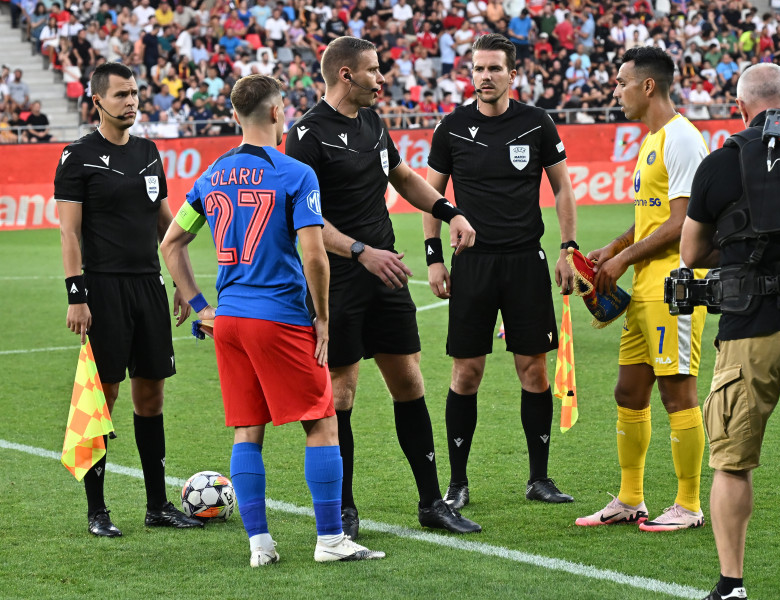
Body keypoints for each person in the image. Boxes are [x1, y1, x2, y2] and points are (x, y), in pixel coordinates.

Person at [160, 74, 385, 567]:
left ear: (236, 116)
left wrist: (200, 307)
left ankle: (260, 545)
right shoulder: (293, 174)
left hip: (229, 320)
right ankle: (331, 540)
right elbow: (315, 256)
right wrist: (322, 319)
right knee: (321, 422)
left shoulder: (212, 174)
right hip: (278, 316)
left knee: (247, 429)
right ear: (278, 113)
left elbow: (171, 244)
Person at [284, 36, 481, 540]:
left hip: (386, 272)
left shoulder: (373, 122)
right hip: (339, 276)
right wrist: (359, 251)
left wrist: (449, 210)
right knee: (343, 393)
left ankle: (431, 502)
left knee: (410, 382)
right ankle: (344, 508)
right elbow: (305, 220)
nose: (382, 78)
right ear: (346, 75)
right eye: (374, 70)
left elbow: (403, 176)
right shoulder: (306, 135)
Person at [423, 33, 577, 510]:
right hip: (473, 264)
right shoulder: (452, 127)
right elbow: (431, 196)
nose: (484, 77)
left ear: (513, 74)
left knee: (533, 370)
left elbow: (563, 190)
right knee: (466, 373)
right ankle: (458, 483)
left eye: (494, 68)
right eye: (478, 68)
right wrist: (433, 257)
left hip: (525, 262)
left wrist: (567, 248)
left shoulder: (536, 123)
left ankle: (539, 478)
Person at [55, 62, 204, 537]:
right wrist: (77, 295)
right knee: (106, 396)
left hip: (148, 285)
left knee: (151, 393)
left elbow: (165, 221)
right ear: (97, 101)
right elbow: (70, 233)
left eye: (135, 93)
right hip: (102, 289)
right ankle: (97, 510)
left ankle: (157, 505)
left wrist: (185, 284)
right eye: (121, 95)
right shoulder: (76, 157)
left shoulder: (147, 151)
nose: (131, 102)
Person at [575, 47, 710, 532]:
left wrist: (622, 259)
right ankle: (631, 498)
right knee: (629, 391)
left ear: (647, 86)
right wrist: (612, 246)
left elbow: (683, 223)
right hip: (645, 287)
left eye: (620, 82)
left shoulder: (682, 140)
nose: (615, 91)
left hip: (676, 286)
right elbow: (648, 219)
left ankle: (690, 505)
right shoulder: (651, 141)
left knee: (678, 393)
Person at [682, 63, 780, 600]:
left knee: (732, 462)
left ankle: (731, 584)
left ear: (740, 107)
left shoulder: (720, 164)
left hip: (752, 324)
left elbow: (691, 252)